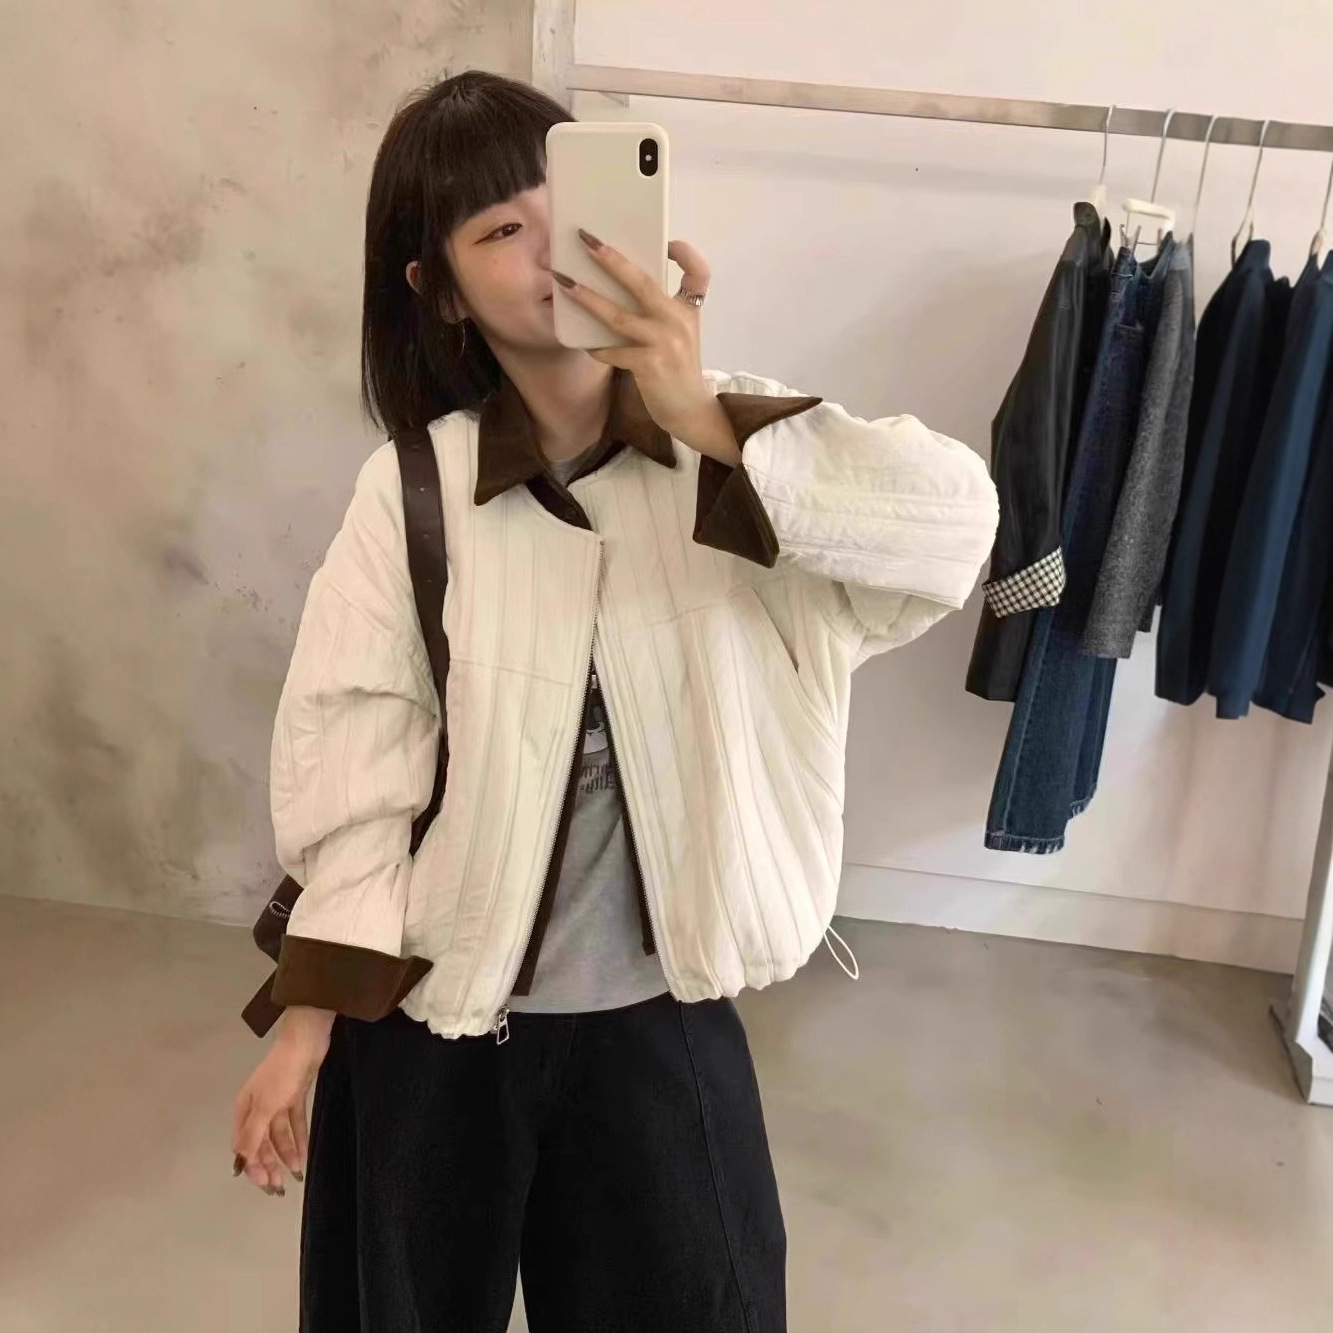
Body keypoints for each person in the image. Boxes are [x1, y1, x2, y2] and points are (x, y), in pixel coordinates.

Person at [231, 69, 998, 1332]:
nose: (551, 249)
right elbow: (358, 770)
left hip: (659, 1019)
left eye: (565, 202)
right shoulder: (414, 490)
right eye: (500, 229)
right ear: (439, 291)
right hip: (435, 1024)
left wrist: (705, 417)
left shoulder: (737, 459)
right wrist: (307, 1026)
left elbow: (952, 531)